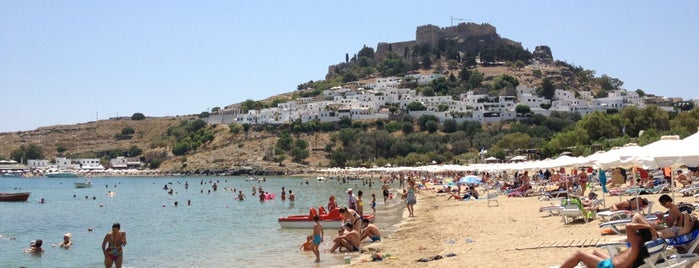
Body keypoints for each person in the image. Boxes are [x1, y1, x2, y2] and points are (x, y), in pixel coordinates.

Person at [560, 221, 655, 268]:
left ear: (639, 237)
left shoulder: (635, 246)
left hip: (610, 266)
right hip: (612, 262)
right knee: (595, 251)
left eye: (637, 233)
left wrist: (648, 226)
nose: (634, 234)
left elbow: (628, 226)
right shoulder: (640, 245)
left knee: (579, 254)